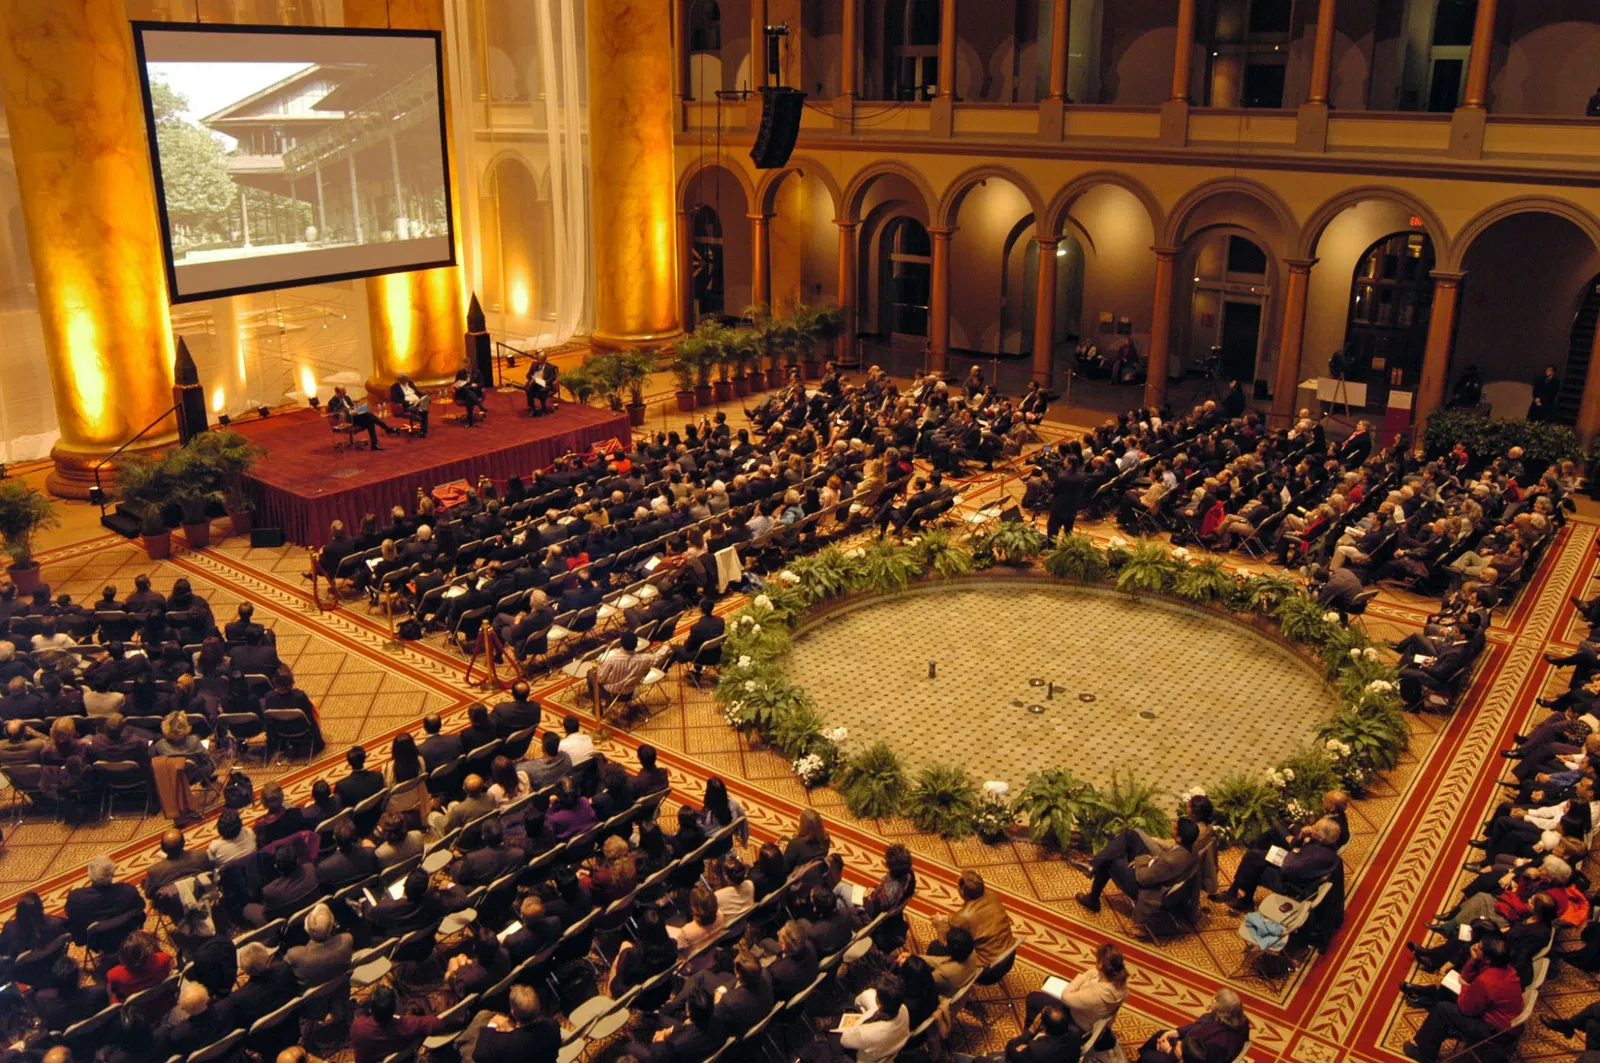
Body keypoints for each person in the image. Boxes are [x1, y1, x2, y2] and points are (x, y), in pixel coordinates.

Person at [1399, 936, 1524, 1063]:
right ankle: (1438, 1021)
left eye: (1479, 948)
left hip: (1495, 1033)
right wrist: (1473, 961)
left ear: (1487, 959)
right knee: (1449, 990)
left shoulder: (1487, 980)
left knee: (1442, 1010)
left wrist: (1464, 985)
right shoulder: (1508, 969)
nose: (1475, 946)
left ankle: (1424, 1053)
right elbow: (1467, 977)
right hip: (1503, 1023)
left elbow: (1466, 1008)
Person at [1074, 818, 1201, 926]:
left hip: (1145, 888)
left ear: (1179, 838)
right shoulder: (1192, 848)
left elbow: (1143, 878)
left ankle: (1093, 899)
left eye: (1175, 827)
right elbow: (1168, 856)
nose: (1173, 824)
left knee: (1111, 860)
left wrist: (1142, 860)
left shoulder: (1169, 861)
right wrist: (1153, 858)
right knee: (1130, 835)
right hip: (1156, 869)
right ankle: (1102, 857)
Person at [1213, 818, 1341, 911]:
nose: (1311, 827)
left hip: (1292, 883)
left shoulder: (1319, 855)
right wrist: (1301, 836)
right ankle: (1239, 895)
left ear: (1320, 837)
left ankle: (1240, 897)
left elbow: (1288, 868)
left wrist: (1290, 854)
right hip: (1296, 866)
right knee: (1254, 857)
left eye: (1315, 828)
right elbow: (1294, 846)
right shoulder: (1326, 844)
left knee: (1254, 863)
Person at [1136, 989, 1250, 1063]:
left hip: (1187, 1057)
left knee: (1149, 1058)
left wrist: (1169, 1050)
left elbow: (1194, 1059)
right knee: (1160, 1035)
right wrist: (1172, 1032)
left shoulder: (1218, 1042)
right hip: (1189, 1048)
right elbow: (1195, 1027)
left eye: (1214, 999)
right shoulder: (1240, 1022)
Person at [351, 984, 452, 1063]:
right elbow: (438, 1024)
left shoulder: (358, 1028)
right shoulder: (408, 1025)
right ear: (394, 1009)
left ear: (371, 1009)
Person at [64, 854, 145, 945]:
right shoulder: (129, 891)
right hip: (127, 934)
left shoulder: (76, 898)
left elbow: (72, 918)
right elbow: (141, 907)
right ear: (113, 874)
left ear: (90, 874)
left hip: (96, 942)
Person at [472, 984, 560, 1063]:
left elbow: (478, 1056)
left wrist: (491, 1026)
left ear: (513, 1012)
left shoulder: (503, 1044)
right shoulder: (552, 1026)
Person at [286, 903, 354, 987]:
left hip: (313, 999)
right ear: (332, 924)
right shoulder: (346, 940)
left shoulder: (294, 955)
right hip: (342, 992)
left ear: (306, 928)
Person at [328, 385, 394, 450]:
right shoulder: (332, 402)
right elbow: (334, 414)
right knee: (369, 416)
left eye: (345, 392)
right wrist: (347, 412)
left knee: (369, 419)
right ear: (337, 392)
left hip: (355, 416)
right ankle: (386, 429)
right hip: (346, 421)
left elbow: (353, 406)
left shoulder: (346, 397)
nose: (345, 394)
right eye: (343, 393)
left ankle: (375, 444)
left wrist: (357, 409)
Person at [389, 373, 431, 437]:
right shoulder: (395, 387)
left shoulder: (410, 383)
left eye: (406, 378)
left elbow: (417, 392)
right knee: (424, 411)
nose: (405, 380)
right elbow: (396, 399)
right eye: (403, 379)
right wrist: (410, 402)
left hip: (418, 402)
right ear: (399, 380)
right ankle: (423, 430)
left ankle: (419, 416)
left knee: (426, 400)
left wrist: (424, 395)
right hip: (407, 405)